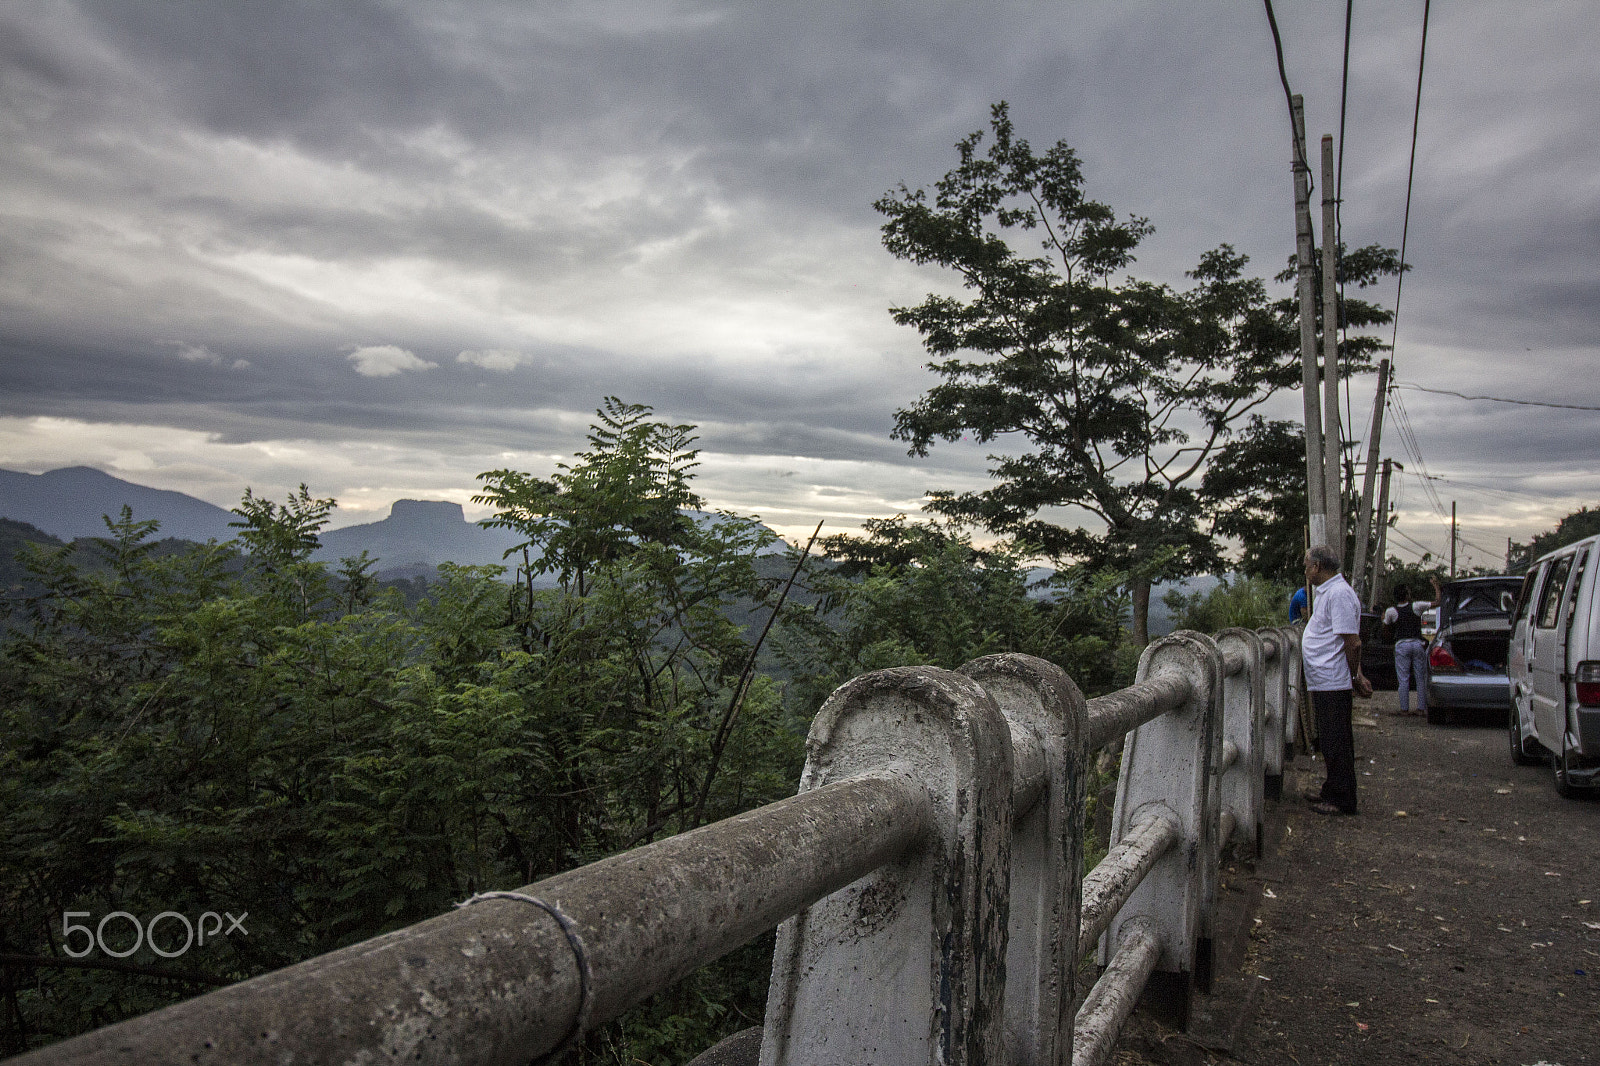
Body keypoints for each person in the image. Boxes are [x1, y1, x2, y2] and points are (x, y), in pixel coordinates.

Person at [1300, 544, 1371, 815]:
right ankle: (1332, 790)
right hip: (1326, 678)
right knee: (1331, 740)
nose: (1306, 570)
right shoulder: (1328, 592)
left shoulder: (1339, 594)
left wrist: (1355, 676)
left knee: (1337, 740)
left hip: (1333, 679)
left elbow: (1352, 643)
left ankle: (1342, 799)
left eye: (1307, 565)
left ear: (1317, 566)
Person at [1382, 578, 1442, 716]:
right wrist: (1436, 587)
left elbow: (1385, 628)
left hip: (1401, 644)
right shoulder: (1416, 606)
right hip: (1416, 643)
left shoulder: (1391, 611)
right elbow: (1437, 602)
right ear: (1407, 595)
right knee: (1420, 677)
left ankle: (1404, 709)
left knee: (1403, 679)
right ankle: (1421, 708)